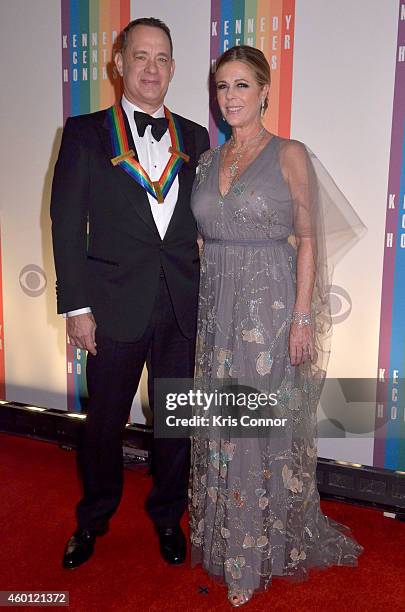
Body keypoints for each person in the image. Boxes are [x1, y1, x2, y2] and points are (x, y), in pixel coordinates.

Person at [189, 45, 364, 607]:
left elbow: (308, 239)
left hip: (268, 311)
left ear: (265, 90)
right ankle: (227, 543)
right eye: (222, 87)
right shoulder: (206, 162)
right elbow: (202, 237)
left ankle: (260, 551)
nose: (231, 97)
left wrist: (302, 316)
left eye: (242, 85)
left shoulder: (289, 153)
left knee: (257, 426)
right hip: (218, 312)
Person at [51, 17, 209, 570]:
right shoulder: (84, 131)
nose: (151, 67)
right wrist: (77, 305)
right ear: (118, 63)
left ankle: (169, 515)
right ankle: (93, 518)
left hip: (181, 306)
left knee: (175, 422)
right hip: (112, 304)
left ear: (172, 67)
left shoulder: (195, 137)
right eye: (140, 56)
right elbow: (66, 223)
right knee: (103, 425)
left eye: (162, 57)